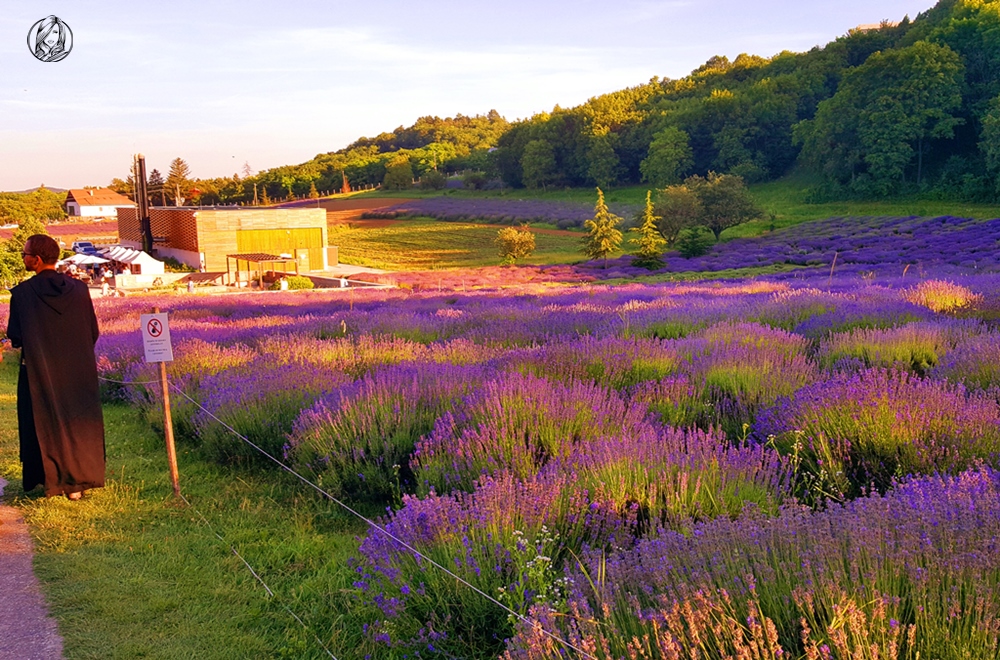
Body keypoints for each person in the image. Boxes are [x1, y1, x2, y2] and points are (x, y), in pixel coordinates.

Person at [6, 235, 105, 500]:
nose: (24, 258)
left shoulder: (23, 294)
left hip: (39, 370)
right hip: (78, 370)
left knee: (43, 423)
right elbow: (92, 331)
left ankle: (52, 481)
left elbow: (17, 336)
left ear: (36, 260)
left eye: (25, 254)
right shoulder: (80, 290)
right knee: (79, 424)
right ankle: (79, 483)